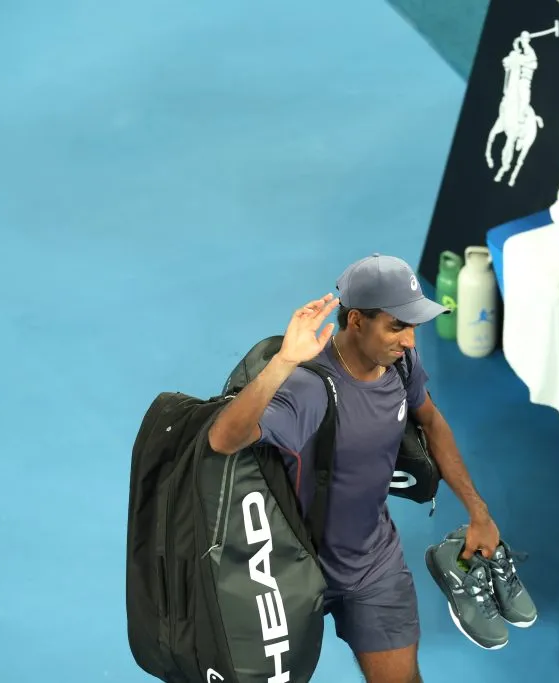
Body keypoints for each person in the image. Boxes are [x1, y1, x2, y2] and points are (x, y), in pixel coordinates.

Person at [207, 253, 502, 683]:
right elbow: (223, 439)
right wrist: (284, 362)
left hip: (371, 561)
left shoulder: (399, 362)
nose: (410, 341)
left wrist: (479, 512)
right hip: (288, 572)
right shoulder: (308, 390)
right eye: (397, 326)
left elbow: (433, 422)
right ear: (358, 322)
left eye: (414, 326)